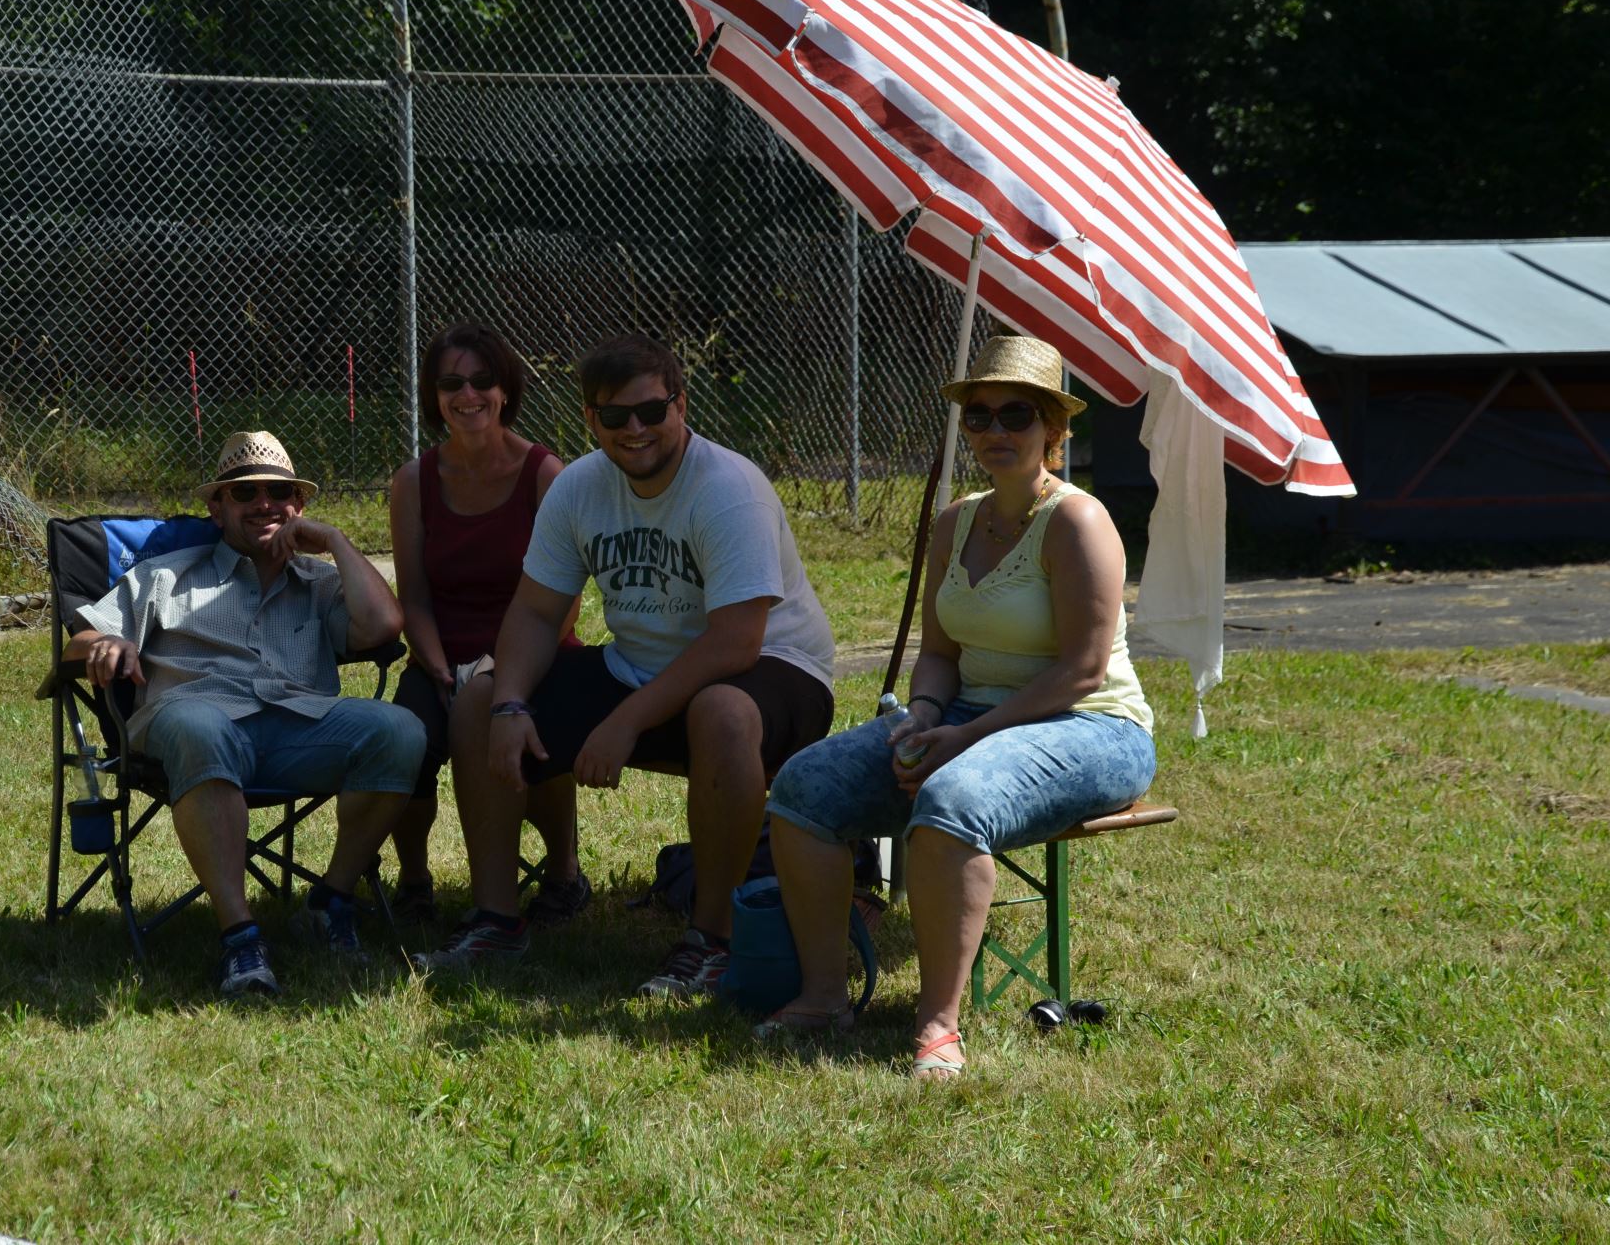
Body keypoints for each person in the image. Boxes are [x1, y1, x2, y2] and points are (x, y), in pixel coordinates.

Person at [758, 334, 1156, 1080]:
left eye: (1017, 415)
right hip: (969, 712)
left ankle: (937, 1026)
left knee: (952, 798)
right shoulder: (957, 521)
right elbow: (939, 651)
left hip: (1094, 727)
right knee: (803, 787)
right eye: (978, 416)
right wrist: (922, 712)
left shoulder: (1079, 523)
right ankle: (821, 995)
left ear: (1053, 430)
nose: (995, 431)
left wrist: (962, 736)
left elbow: (1081, 669)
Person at [416, 333, 837, 996]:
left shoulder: (729, 488)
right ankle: (497, 919)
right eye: (615, 416)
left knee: (722, 710)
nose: (635, 429)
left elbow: (736, 643)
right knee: (477, 697)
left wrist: (623, 722)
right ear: (591, 419)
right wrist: (509, 704)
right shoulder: (579, 487)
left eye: (652, 411)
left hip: (777, 671)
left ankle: (714, 938)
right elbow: (531, 613)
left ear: (681, 404)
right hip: (640, 668)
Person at [65, 431, 426, 998]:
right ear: (217, 507)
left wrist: (332, 540)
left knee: (401, 730)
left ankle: (330, 901)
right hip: (189, 721)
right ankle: (241, 936)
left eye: (280, 492)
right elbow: (83, 635)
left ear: (298, 506)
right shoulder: (166, 576)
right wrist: (101, 647)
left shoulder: (320, 581)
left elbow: (384, 626)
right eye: (245, 492)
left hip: (294, 727)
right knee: (202, 727)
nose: (264, 503)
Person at [386, 323, 585, 927]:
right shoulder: (413, 482)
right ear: (434, 395)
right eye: (451, 382)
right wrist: (440, 667)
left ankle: (563, 873)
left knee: (536, 739)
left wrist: (502, 674)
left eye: (482, 380)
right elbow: (413, 598)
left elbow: (565, 604)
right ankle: (415, 877)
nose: (467, 394)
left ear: (505, 391)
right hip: (442, 655)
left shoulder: (549, 476)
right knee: (402, 740)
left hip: (536, 654)